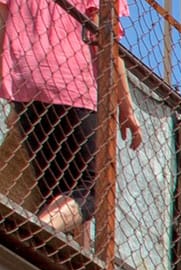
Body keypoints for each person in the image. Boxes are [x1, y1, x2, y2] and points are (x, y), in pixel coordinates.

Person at [1, 0, 144, 239]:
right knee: (94, 189)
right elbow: (105, 40)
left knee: (54, 185)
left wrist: (13, 91)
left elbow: (4, 25)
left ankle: (37, 233)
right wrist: (127, 108)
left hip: (25, 80)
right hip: (71, 83)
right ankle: (32, 232)